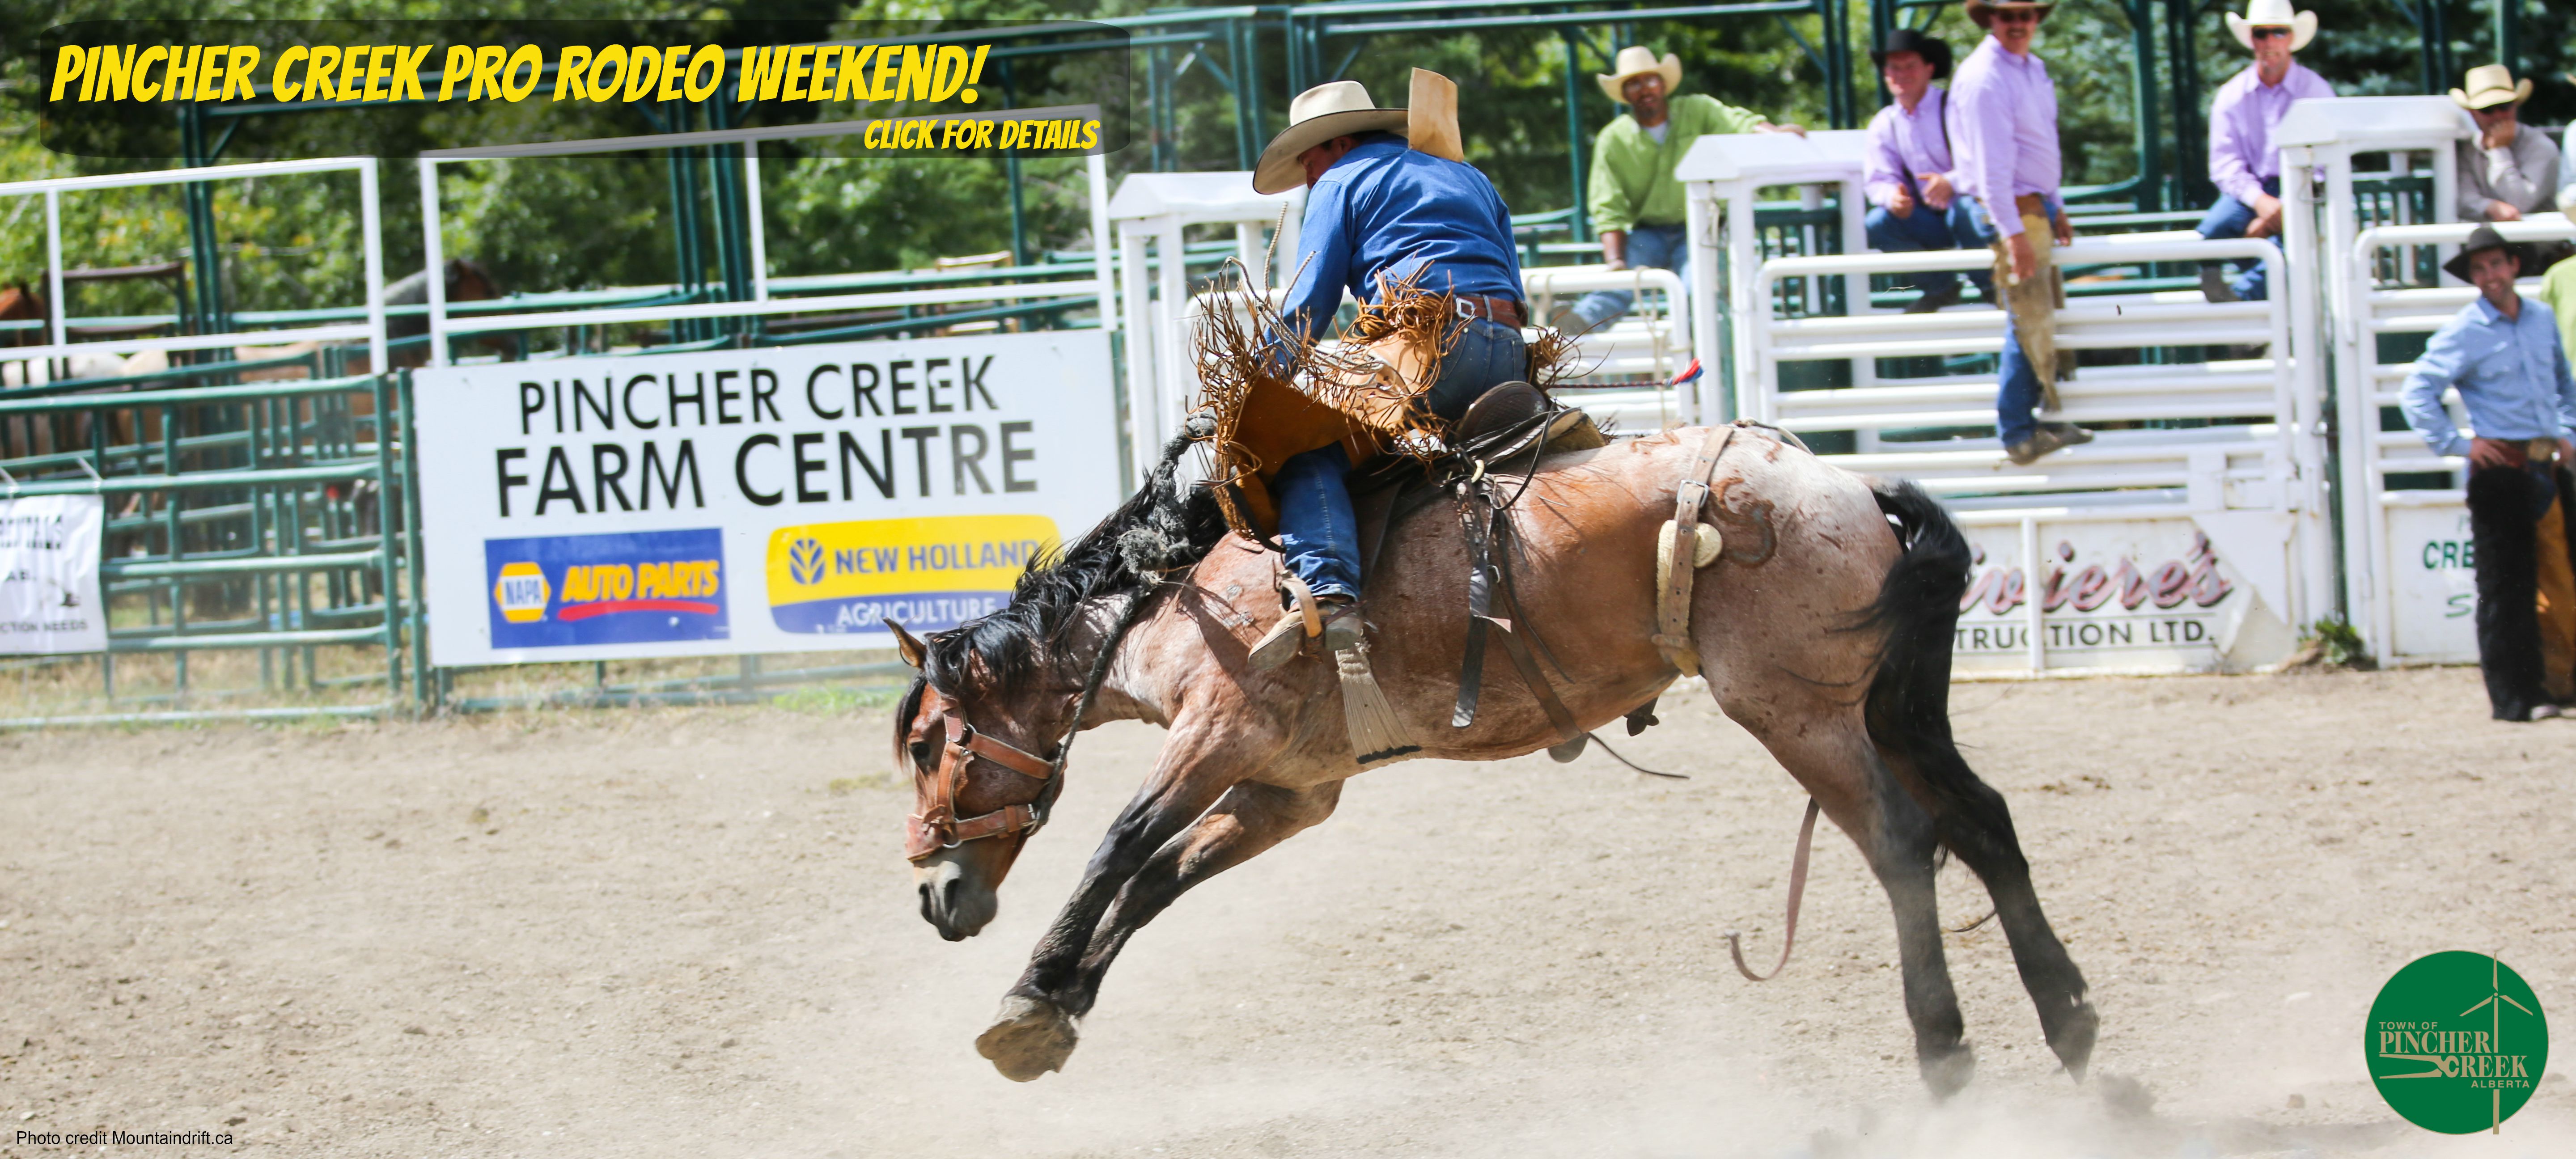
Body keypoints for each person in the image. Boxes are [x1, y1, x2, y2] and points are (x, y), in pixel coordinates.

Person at [1244, 79, 1530, 663]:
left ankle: (1325, 593)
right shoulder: (1471, 175)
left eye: (1309, 159)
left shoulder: (1341, 180)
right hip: (1508, 353)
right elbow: (1514, 288)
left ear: (1338, 141)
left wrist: (1257, 389)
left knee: (1304, 444)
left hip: (1433, 352)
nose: (1306, 176)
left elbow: (1307, 310)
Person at [2398, 226, 2576, 721]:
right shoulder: (2466, 330)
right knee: (2506, 587)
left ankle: (2559, 682)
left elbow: (2563, 379)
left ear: (2514, 266)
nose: (2490, 276)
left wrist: (2568, 432)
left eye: (2496, 264)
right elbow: (2418, 391)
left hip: (2544, 459)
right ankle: (2515, 695)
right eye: (2480, 268)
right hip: (2501, 468)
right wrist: (2461, 444)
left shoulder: (2540, 318)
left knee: (2561, 573)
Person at [1567, 46, 1802, 334]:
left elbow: (1739, 123)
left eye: (1650, 80)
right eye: (1634, 84)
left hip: (1700, 228)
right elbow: (1608, 204)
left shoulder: (1698, 110)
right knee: (1621, 286)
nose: (1644, 90)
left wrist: (1775, 135)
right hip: (1648, 232)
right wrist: (1616, 261)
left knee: (1696, 290)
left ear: (1663, 84)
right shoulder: (1613, 139)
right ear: (1626, 94)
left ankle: (1696, 364)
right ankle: (1566, 329)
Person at [1949, 0, 2091, 465]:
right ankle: (2017, 430)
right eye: (2008, 15)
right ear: (1991, 18)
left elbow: (2038, 145)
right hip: (2009, 209)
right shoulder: (1986, 77)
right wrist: (2013, 233)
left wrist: (2057, 206)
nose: (2018, 23)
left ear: (2036, 19)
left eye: (2026, 14)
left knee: (2033, 311)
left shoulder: (2030, 70)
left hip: (2030, 205)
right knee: (2027, 313)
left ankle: (2028, 422)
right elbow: (1993, 167)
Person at [2194, 0, 2334, 304]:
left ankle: (2240, 302)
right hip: (2250, 192)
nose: (2270, 41)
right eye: (2262, 33)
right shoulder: (2231, 96)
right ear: (2252, 39)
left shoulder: (2316, 91)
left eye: (2279, 32)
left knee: (2293, 246)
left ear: (2292, 38)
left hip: (2302, 189)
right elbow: (2224, 163)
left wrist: (2274, 213)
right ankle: (2222, 288)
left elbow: (2324, 160)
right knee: (2215, 229)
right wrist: (2261, 204)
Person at [1862, 30, 1993, 313]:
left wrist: (1951, 181)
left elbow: (1984, 160)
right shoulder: (1884, 124)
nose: (1902, 75)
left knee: (1966, 210)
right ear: (1886, 74)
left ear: (1929, 69)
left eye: (1910, 66)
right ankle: (1941, 288)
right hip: (1925, 219)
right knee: (1878, 222)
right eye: (1895, 68)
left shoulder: (1954, 108)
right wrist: (1893, 198)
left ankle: (1992, 287)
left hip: (1967, 208)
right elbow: (1878, 181)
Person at [2450, 64, 2560, 223]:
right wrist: (2490, 207)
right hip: (2489, 241)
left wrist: (2499, 151)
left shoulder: (2541, 147)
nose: (2498, 116)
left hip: (2537, 242)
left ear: (2515, 106)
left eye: (2504, 107)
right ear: (2473, 114)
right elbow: (2463, 199)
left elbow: (2519, 203)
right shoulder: (2468, 149)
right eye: (2487, 110)